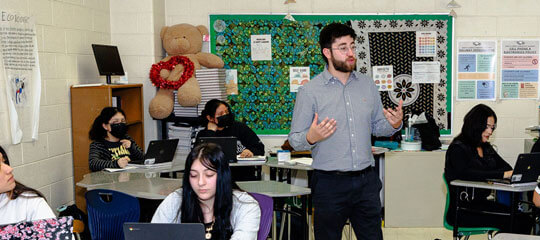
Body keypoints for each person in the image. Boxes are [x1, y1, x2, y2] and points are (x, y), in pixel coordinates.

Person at [288, 23, 403, 240]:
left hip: (366, 181)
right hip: (330, 184)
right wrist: (312, 137)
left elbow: (378, 127)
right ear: (327, 52)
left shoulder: (368, 85)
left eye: (352, 46)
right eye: (343, 47)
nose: (351, 53)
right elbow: (295, 140)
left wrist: (394, 124)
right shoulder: (309, 91)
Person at [443, 104, 532, 233]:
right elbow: (466, 174)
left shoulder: (485, 147)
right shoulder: (458, 148)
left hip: (479, 205)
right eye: (487, 127)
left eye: (492, 127)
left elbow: (506, 167)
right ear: (475, 125)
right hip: (462, 210)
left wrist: (506, 173)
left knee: (523, 218)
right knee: (516, 220)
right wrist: (502, 174)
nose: (490, 132)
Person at [152, 143, 261, 240]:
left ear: (223, 176)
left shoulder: (246, 206)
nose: (200, 182)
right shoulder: (175, 200)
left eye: (209, 175)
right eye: (193, 175)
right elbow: (153, 234)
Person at [196, 99, 265, 181]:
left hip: (243, 175)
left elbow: (260, 148)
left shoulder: (240, 128)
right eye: (220, 114)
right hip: (216, 179)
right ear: (210, 118)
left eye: (226, 112)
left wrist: (250, 151)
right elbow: (199, 157)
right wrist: (210, 132)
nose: (225, 115)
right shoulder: (203, 134)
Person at [88, 107, 144, 171]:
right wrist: (116, 164)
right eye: (115, 122)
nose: (120, 124)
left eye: (122, 121)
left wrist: (132, 147)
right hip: (110, 180)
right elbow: (93, 164)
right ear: (105, 126)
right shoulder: (97, 145)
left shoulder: (127, 138)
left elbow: (144, 158)